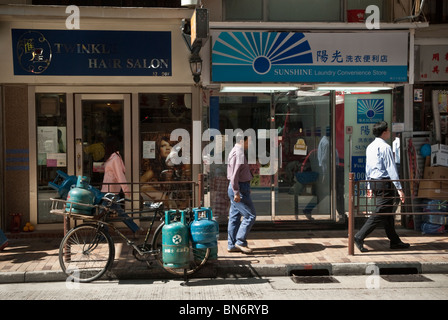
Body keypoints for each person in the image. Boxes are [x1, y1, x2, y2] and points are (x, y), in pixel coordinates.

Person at [354, 121, 409, 252]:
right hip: (384, 182)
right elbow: (391, 169)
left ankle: (395, 241)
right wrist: (400, 189)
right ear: (384, 132)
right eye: (388, 130)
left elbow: (367, 167)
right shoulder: (385, 147)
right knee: (381, 211)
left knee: (388, 212)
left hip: (374, 181)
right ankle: (359, 236)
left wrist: (368, 185)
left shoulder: (370, 147)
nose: (389, 132)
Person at [227, 133, 256, 254]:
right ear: (242, 141)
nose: (250, 143)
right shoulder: (238, 153)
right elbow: (234, 176)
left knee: (234, 217)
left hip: (239, 187)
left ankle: (231, 244)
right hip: (239, 188)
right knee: (250, 215)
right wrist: (237, 192)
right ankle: (240, 241)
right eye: (249, 141)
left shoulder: (235, 151)